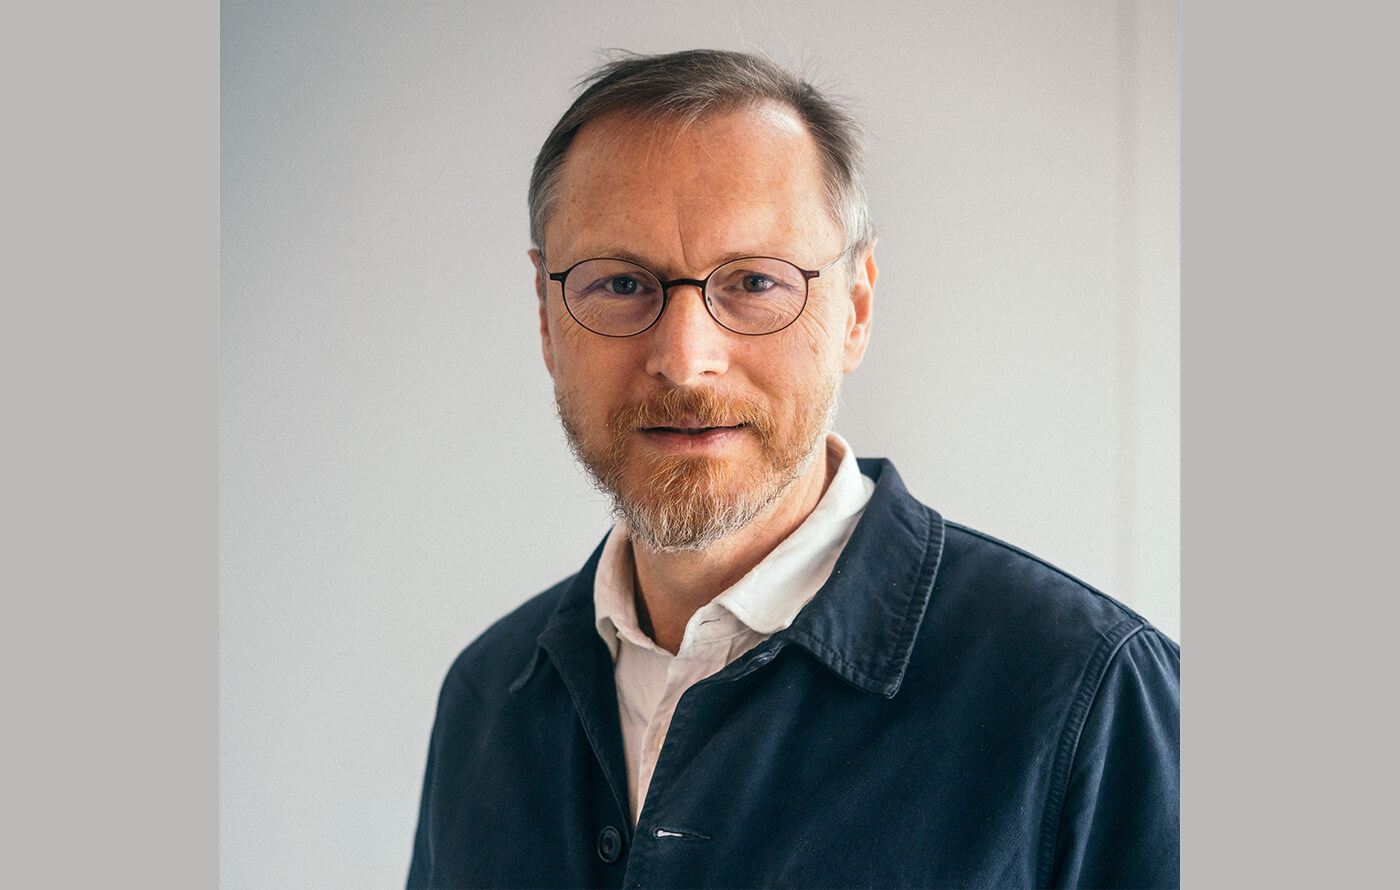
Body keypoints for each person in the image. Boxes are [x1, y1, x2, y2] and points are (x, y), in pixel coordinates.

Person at [408, 49, 1179, 889]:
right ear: (549, 321)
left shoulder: (1091, 693)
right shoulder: (487, 702)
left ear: (855, 308)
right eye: (622, 282)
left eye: (753, 282)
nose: (685, 359)